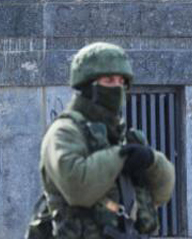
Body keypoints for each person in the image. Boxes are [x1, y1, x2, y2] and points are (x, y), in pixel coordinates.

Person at [36, 42, 175, 238]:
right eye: (109, 80)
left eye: (121, 82)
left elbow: (162, 194)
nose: (117, 88)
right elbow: (78, 188)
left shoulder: (121, 136)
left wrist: (152, 161)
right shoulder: (65, 132)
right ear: (87, 86)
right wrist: (120, 157)